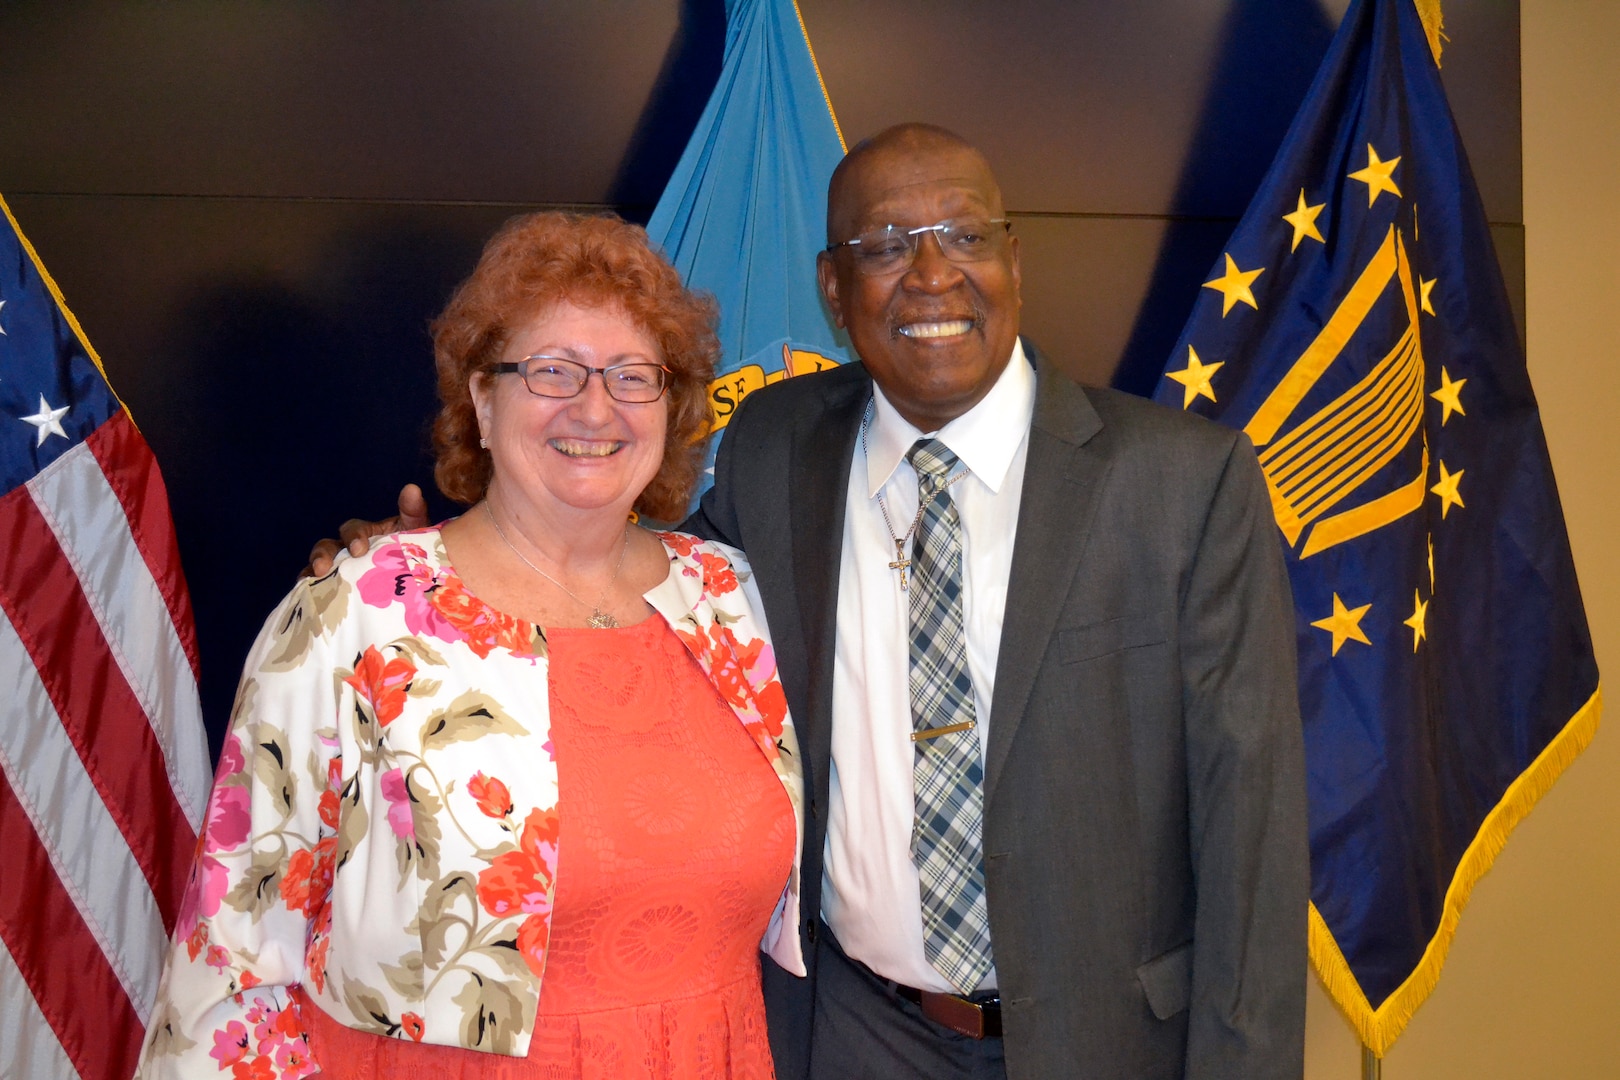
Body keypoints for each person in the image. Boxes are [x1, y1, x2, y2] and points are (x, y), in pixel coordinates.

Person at [317, 124, 1309, 1080]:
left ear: (1014, 258)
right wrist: (428, 577)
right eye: (886, 246)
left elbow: (1252, 840)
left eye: (965, 236)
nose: (932, 274)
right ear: (833, 290)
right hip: (850, 1035)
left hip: (1115, 1045)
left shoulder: (1183, 484)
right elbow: (613, 588)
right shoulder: (775, 446)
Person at [140, 211, 805, 1080]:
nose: (594, 407)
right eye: (552, 371)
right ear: (482, 403)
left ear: (672, 408)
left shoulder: (734, 601)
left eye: (632, 376)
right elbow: (238, 944)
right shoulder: (359, 612)